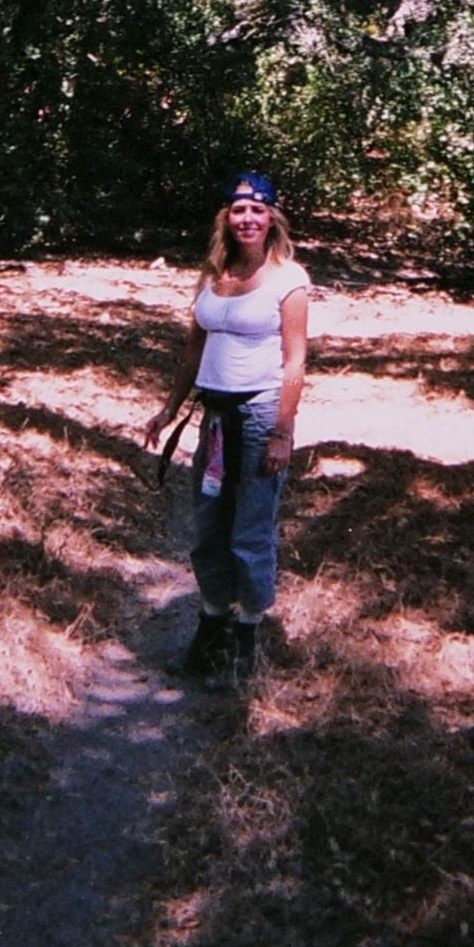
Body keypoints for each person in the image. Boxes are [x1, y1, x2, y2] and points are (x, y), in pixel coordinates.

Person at [144, 171, 310, 687]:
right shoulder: (213, 276)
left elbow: (295, 360)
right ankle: (211, 627)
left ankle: (247, 639)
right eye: (239, 210)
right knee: (209, 526)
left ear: (272, 218)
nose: (247, 219)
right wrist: (169, 409)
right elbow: (194, 347)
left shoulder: (289, 280)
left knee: (250, 530)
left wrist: (283, 432)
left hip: (260, 417)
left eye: (258, 210)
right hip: (215, 418)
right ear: (227, 218)